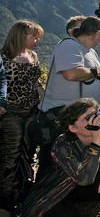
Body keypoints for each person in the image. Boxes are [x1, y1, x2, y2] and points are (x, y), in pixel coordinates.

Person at [37, 16, 100, 181]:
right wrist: (97, 72)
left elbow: (96, 79)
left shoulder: (91, 52)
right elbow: (70, 73)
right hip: (62, 113)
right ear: (98, 33)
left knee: (75, 162)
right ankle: (42, 199)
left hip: (82, 117)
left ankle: (70, 197)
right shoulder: (69, 45)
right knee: (53, 162)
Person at [22, 98, 100, 217]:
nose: (96, 120)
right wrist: (96, 142)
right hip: (56, 192)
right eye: (89, 118)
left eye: (97, 114)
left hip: (84, 187)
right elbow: (83, 178)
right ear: (73, 128)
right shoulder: (62, 144)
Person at [0, 20, 44, 215]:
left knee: (28, 152)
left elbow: (36, 82)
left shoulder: (33, 56)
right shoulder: (4, 57)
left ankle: (23, 194)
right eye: (33, 37)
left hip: (31, 111)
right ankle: (6, 200)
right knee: (11, 154)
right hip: (10, 112)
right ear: (20, 36)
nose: (37, 41)